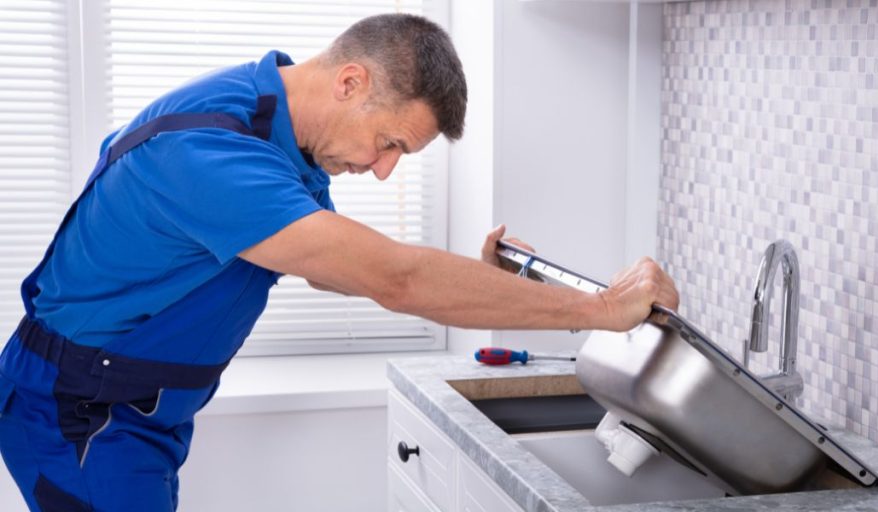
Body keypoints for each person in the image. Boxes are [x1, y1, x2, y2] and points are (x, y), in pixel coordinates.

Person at [0, 13, 679, 512]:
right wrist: (597, 312)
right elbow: (393, 278)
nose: (383, 171)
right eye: (389, 144)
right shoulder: (210, 153)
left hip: (137, 405)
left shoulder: (279, 130)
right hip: (83, 410)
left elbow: (336, 265)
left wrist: (490, 288)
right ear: (351, 82)